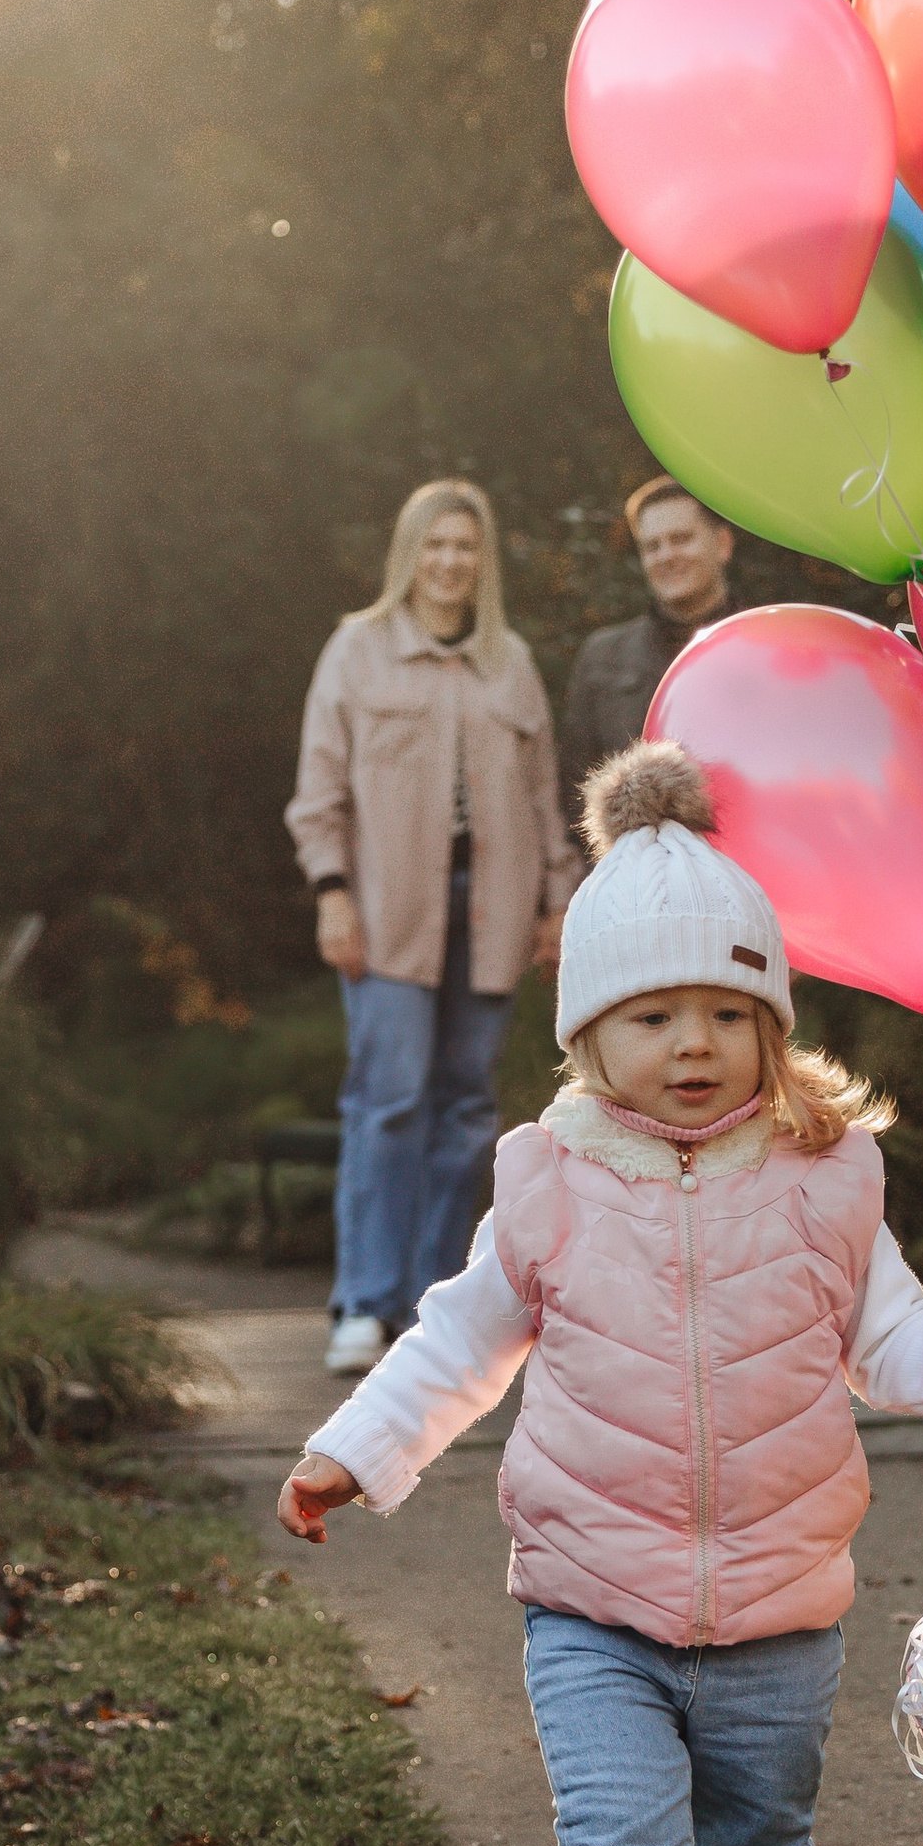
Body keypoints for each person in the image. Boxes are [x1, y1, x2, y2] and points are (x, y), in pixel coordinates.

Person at [275, 740, 923, 1846]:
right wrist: (352, 1451)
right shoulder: (548, 1183)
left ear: (772, 1026)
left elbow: (888, 1340)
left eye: (727, 1013)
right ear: (587, 1036)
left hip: (780, 1607)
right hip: (592, 1603)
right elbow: (458, 1342)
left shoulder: (825, 1181)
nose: (694, 1044)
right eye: (653, 1014)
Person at [286, 479, 571, 1380]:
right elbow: (319, 791)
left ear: (483, 562)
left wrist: (557, 901)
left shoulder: (510, 663)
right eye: (436, 545)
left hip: (493, 912)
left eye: (466, 546)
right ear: (408, 555)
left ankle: (431, 1308)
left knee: (467, 1108)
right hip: (387, 914)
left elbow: (544, 797)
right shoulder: (356, 649)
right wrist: (332, 892)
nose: (451, 562)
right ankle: (363, 1304)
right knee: (390, 1099)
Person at [557, 478, 740, 822]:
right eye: (652, 546)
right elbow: (574, 793)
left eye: (681, 539)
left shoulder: (764, 647)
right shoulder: (602, 657)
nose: (666, 556)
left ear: (722, 544)